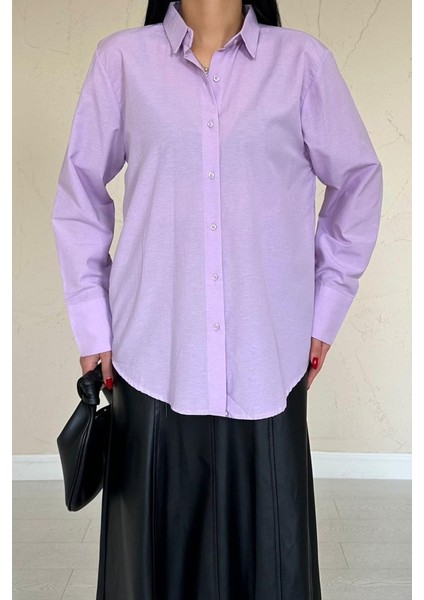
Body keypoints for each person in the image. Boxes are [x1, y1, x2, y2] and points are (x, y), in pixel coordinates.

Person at [51, 0, 383, 598]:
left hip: (267, 366)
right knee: (150, 573)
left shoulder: (302, 64)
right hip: (151, 362)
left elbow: (358, 179)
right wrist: (92, 326)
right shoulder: (121, 62)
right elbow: (80, 192)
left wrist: (326, 306)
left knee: (271, 571)